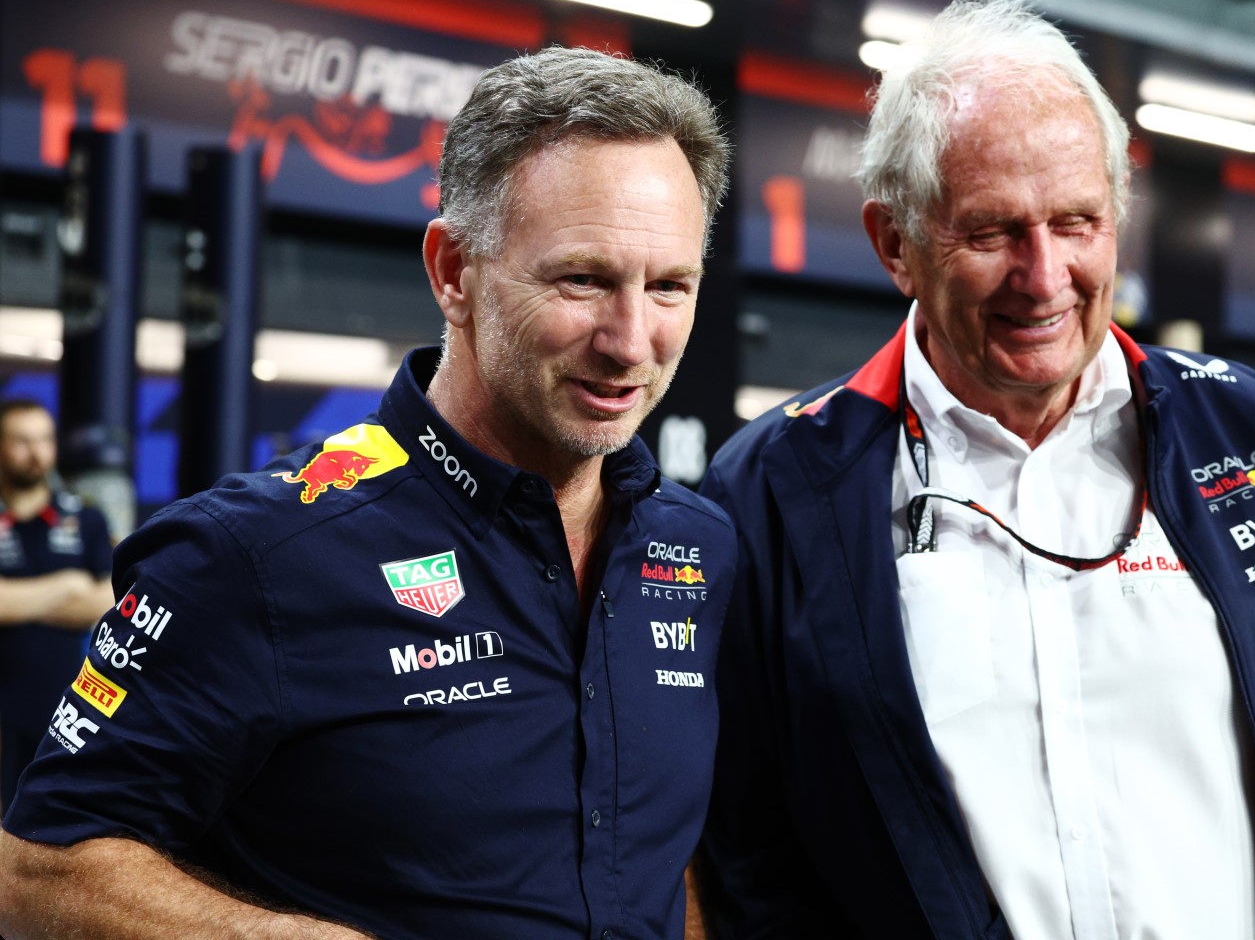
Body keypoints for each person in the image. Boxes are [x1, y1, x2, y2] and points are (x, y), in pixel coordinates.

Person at [694, 0, 1255, 939]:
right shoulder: (777, 490)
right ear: (895, 243)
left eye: (1077, 223)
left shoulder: (1253, 435)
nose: (1044, 274)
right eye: (991, 233)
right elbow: (746, 856)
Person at [0, 46, 735, 940]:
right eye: (583, 280)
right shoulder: (254, 555)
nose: (631, 339)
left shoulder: (699, 550)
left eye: (669, 287)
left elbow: (664, 847)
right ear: (453, 272)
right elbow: (38, 869)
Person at [0, 399, 115, 810]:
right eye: (22, 441)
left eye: (44, 440)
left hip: (63, 712)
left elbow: (109, 603)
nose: (36, 453)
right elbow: (85, 595)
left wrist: (15, 598)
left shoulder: (84, 518)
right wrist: (69, 586)